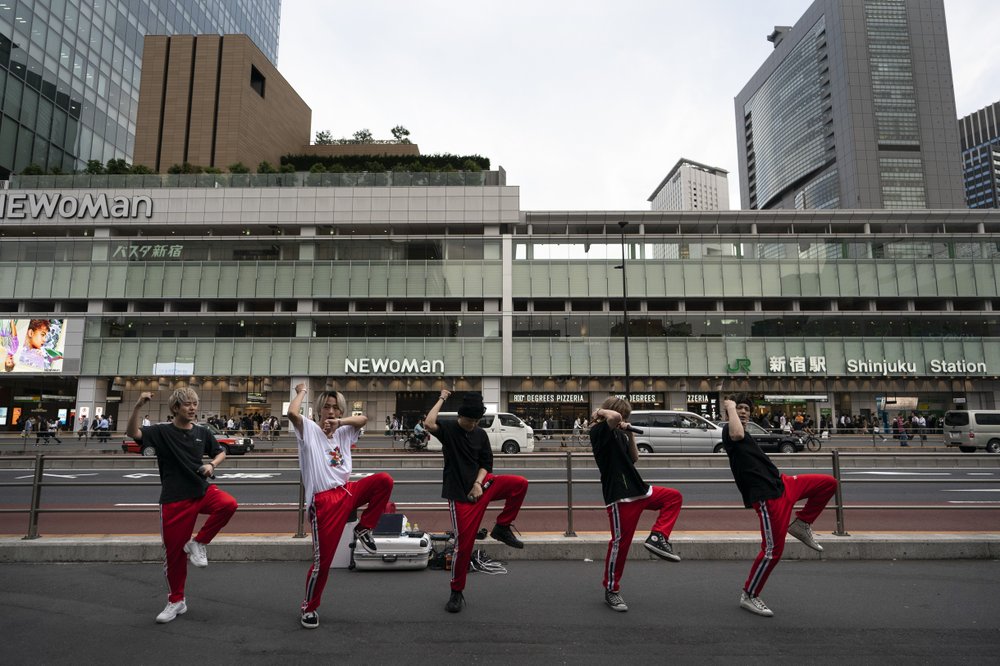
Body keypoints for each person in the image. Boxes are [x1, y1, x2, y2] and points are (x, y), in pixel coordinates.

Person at [127, 388, 238, 624]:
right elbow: (132, 433)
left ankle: (198, 542)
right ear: (175, 408)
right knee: (174, 556)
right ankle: (177, 601)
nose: (193, 408)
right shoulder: (161, 431)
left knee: (228, 504)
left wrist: (212, 465)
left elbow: (220, 452)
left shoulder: (202, 432)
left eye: (195, 404)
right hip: (174, 499)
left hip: (201, 490)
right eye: (187, 404)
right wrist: (137, 405)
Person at [287, 383, 393, 630]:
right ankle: (309, 607)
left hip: (348, 491)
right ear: (318, 410)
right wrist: (301, 392)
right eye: (327, 407)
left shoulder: (344, 431)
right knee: (322, 563)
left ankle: (364, 528)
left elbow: (364, 418)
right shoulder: (309, 430)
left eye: (336, 408)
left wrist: (341, 423)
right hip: (324, 502)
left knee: (384, 481)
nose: (331, 412)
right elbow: (292, 414)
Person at [721, 395, 837, 617]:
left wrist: (735, 409)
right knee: (773, 551)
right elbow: (736, 433)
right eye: (739, 409)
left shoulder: (747, 434)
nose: (743, 411)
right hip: (767, 498)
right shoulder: (729, 431)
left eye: (746, 408)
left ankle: (802, 524)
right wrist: (730, 407)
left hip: (783, 484)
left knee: (828, 484)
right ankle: (750, 594)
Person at [424, 389, 528, 613]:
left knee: (519, 483)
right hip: (461, 495)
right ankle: (456, 591)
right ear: (460, 416)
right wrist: (442, 398)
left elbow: (486, 465)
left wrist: (479, 483)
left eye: (476, 420)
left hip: (481, 486)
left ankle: (502, 527)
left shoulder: (481, 434)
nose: (472, 424)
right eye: (469, 420)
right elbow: (429, 423)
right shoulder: (449, 430)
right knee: (464, 546)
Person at [589, 396, 683, 612]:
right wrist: (600, 413)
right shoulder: (599, 432)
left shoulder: (621, 435)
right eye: (624, 416)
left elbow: (634, 457)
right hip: (620, 496)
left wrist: (629, 431)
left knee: (673, 497)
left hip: (639, 489)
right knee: (620, 544)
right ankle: (611, 590)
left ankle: (658, 537)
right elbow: (614, 417)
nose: (624, 419)